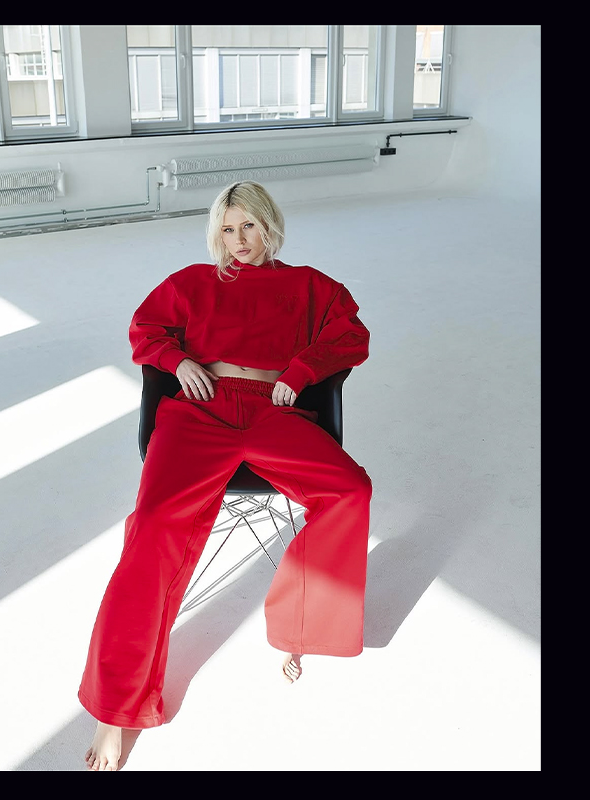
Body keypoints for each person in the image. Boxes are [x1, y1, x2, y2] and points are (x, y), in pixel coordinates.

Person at [80, 180, 372, 771]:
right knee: (153, 527)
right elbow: (145, 330)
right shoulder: (192, 282)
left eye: (249, 226)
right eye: (227, 229)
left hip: (274, 411)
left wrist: (300, 371)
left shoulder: (310, 285)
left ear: (269, 225)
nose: (239, 240)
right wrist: (178, 361)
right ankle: (115, 710)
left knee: (350, 490)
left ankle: (299, 628)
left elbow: (350, 336)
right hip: (200, 409)